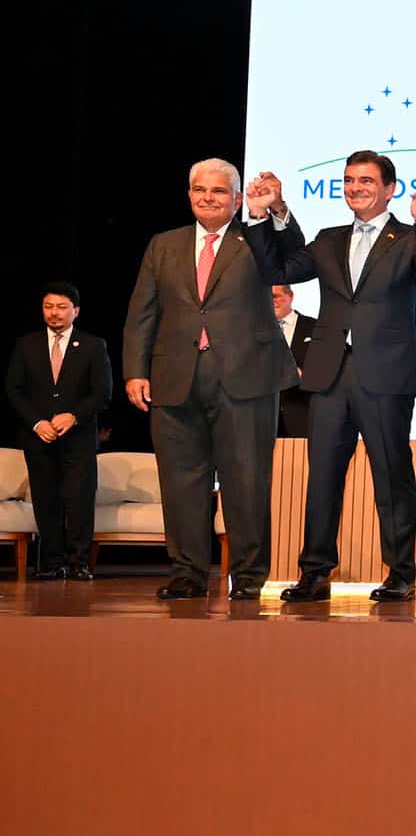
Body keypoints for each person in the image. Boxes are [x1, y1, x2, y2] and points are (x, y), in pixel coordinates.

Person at [243, 151, 416, 603]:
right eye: (350, 180)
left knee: (391, 475)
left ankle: (400, 573)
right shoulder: (329, 239)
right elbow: (279, 267)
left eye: (366, 181)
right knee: (323, 477)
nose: (356, 188)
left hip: (386, 373)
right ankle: (315, 572)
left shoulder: (410, 237)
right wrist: (264, 215)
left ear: (389, 189)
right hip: (329, 372)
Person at [123, 158, 297, 600]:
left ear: (237, 200)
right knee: (181, 483)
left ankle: (249, 576)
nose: (207, 197)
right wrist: (135, 371)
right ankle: (187, 573)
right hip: (174, 379)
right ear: (189, 194)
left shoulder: (254, 239)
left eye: (218, 191)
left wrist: (275, 212)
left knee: (247, 480)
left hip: (245, 379)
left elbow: (290, 261)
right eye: (199, 189)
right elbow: (142, 313)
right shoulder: (163, 245)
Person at [5, 282, 112, 580]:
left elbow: (102, 393)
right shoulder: (27, 345)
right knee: (45, 497)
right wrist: (37, 422)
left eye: (62, 307)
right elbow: (14, 390)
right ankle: (53, 562)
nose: (54, 313)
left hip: (77, 437)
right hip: (38, 436)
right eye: (48, 307)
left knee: (78, 498)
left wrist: (73, 416)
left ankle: (78, 561)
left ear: (75, 311)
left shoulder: (93, 345)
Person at [270, 284, 315, 438]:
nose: (271, 301)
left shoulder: (315, 328)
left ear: (290, 296)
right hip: (264, 421)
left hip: (303, 416)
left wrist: (305, 375)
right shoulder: (253, 331)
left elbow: (330, 368)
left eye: (276, 296)